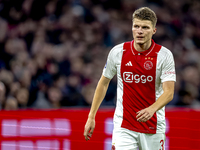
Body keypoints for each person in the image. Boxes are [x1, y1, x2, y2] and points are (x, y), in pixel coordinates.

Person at [84, 7, 176, 150]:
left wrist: (152, 109)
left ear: (154, 31)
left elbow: (169, 92)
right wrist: (91, 116)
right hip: (124, 126)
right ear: (132, 28)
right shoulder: (118, 52)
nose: (140, 31)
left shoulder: (164, 55)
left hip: (153, 126)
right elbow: (103, 82)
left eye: (145, 27)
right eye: (136, 26)